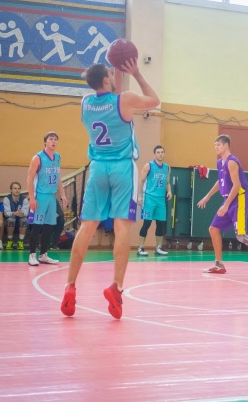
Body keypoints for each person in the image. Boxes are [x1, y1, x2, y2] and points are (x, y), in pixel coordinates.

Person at [60, 59, 160, 320]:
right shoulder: (124, 100)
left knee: (86, 227)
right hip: (122, 168)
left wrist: (115, 69)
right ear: (106, 80)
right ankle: (116, 288)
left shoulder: (85, 103)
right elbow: (154, 100)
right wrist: (136, 73)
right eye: (110, 74)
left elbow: (111, 95)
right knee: (122, 226)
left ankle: (70, 286)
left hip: (97, 169)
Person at [197, 134, 248, 277]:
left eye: (218, 145)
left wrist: (226, 205)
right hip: (228, 199)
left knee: (241, 236)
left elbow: (237, 185)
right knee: (213, 229)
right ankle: (219, 264)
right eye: (215, 145)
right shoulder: (220, 162)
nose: (216, 147)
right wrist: (207, 196)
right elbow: (220, 181)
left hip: (239, 199)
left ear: (226, 145)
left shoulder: (232, 162)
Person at [27, 132, 68, 266]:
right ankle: (32, 255)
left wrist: (62, 194)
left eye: (55, 139)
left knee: (49, 226)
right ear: (45, 142)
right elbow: (29, 178)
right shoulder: (37, 158)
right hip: (40, 195)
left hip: (51, 196)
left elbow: (58, 177)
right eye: (51, 139)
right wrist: (32, 197)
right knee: (36, 226)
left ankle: (43, 254)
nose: (53, 141)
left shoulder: (58, 157)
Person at [137, 145, 171, 257]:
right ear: (155, 154)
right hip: (149, 199)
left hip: (161, 200)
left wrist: (169, 191)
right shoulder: (149, 166)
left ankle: (158, 248)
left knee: (161, 224)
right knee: (147, 223)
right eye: (158, 152)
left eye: (162, 152)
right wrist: (140, 196)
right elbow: (141, 181)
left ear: (164, 153)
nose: (160, 154)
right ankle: (140, 247)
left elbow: (167, 182)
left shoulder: (167, 167)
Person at [4, 182, 29, 250]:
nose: (17, 190)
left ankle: (20, 241)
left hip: (20, 219)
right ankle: (9, 241)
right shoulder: (7, 199)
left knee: (24, 220)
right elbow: (6, 213)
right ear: (11, 190)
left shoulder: (24, 199)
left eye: (18, 188)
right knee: (11, 219)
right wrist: (14, 213)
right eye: (15, 188)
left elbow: (26, 212)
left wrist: (21, 213)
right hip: (10, 219)